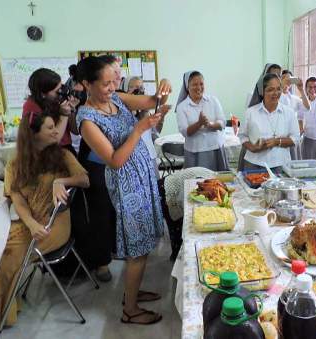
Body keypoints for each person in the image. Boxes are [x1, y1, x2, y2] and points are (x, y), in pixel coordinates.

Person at [76, 56, 171, 325]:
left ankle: (133, 291)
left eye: (114, 81)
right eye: (106, 83)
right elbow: (115, 160)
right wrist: (139, 129)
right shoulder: (86, 121)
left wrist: (163, 88)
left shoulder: (116, 98)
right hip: (127, 184)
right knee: (137, 248)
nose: (112, 87)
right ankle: (130, 309)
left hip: (142, 175)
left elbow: (153, 101)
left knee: (144, 240)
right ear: (86, 84)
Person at [0, 110, 89, 330]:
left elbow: (84, 180)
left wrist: (61, 181)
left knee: (7, 258)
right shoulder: (16, 163)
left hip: (54, 226)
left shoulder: (62, 156)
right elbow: (17, 200)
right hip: (30, 223)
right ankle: (4, 310)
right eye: (50, 128)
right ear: (33, 135)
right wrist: (30, 223)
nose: (56, 131)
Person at [239, 73, 300, 170]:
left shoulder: (289, 113)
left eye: (278, 89)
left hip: (281, 164)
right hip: (254, 164)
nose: (275, 93)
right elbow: (242, 136)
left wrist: (277, 142)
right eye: (270, 90)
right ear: (262, 92)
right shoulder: (251, 112)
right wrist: (252, 147)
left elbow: (295, 138)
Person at [158, 167, 215, 260]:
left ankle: (178, 256)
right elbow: (183, 198)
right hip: (165, 190)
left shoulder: (210, 176)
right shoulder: (203, 181)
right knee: (176, 227)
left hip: (171, 187)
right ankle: (178, 258)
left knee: (178, 226)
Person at [176, 70, 229, 171]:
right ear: (187, 87)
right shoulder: (182, 107)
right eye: (194, 84)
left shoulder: (213, 100)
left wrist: (211, 125)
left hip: (215, 149)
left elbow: (223, 122)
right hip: (195, 152)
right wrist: (199, 123)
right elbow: (184, 132)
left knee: (219, 183)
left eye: (201, 84)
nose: (199, 87)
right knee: (197, 183)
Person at [22, 68, 80, 155]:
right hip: (48, 153)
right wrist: (64, 115)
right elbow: (53, 139)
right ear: (43, 94)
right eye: (57, 91)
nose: (61, 93)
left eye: (62, 87)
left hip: (66, 149)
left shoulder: (55, 100)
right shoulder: (31, 107)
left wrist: (71, 110)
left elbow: (75, 130)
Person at [122, 76, 168, 178]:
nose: (139, 91)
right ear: (125, 91)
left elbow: (156, 132)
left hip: (150, 156)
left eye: (141, 87)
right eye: (134, 88)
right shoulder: (121, 111)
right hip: (133, 160)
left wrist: (161, 117)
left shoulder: (145, 110)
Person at [280, 70, 310, 160]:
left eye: (289, 79)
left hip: (292, 136)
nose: (287, 80)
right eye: (283, 78)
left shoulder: (294, 99)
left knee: (293, 161)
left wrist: (301, 90)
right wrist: (281, 86)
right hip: (279, 137)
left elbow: (308, 107)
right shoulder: (275, 96)